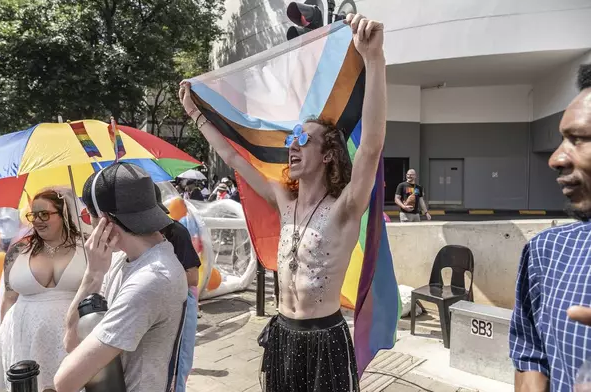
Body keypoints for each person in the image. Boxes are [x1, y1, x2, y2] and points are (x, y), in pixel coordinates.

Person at [179, 13, 385, 392]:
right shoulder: (282, 199)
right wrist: (196, 116)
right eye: (292, 138)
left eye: (304, 140)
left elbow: (370, 148)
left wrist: (374, 60)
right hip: (284, 335)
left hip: (325, 340)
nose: (294, 145)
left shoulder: (344, 208)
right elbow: (237, 159)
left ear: (327, 155)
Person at [55, 162, 187, 392]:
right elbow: (71, 340)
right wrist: (93, 275)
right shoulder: (122, 261)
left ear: (105, 220)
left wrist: (94, 273)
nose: (89, 225)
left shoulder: (151, 280)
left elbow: (65, 381)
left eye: (89, 216)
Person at [510, 63, 591, 392]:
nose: (556, 158)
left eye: (579, 139)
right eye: (562, 139)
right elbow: (529, 352)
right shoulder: (546, 252)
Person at [0, 188, 86, 392]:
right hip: (23, 334)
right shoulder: (18, 251)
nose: (37, 220)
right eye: (33, 215)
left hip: (73, 333)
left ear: (64, 214)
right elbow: (9, 298)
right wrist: (3, 336)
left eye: (44, 214)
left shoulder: (86, 248)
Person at [156, 184, 201, 392]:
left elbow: (193, 277)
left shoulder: (176, 232)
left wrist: (155, 278)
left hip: (182, 304)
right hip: (159, 307)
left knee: (178, 363)